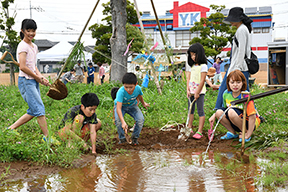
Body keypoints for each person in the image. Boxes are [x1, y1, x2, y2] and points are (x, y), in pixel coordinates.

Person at [7, 19, 55, 143]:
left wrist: (41, 77)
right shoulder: (22, 46)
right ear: (22, 31)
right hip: (26, 81)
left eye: (33, 31)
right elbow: (22, 67)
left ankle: (10, 129)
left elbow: (33, 66)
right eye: (28, 31)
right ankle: (47, 138)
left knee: (34, 110)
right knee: (39, 109)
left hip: (32, 80)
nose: (31, 33)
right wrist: (36, 77)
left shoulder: (34, 47)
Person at [214, 7, 252, 110]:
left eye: (232, 18)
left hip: (238, 67)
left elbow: (241, 51)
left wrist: (237, 69)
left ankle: (219, 110)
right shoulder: (242, 29)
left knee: (226, 89)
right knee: (244, 92)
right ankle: (252, 113)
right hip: (238, 66)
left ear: (238, 19)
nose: (230, 21)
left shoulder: (241, 30)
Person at [209, 70, 260, 142]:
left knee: (231, 112)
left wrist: (249, 133)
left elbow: (252, 117)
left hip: (249, 123)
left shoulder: (245, 95)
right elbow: (225, 109)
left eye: (238, 82)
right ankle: (232, 132)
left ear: (243, 83)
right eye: (232, 82)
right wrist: (214, 115)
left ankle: (245, 133)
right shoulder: (226, 94)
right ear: (228, 83)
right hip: (236, 120)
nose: (235, 85)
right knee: (219, 112)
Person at [114, 73, 150, 145]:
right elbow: (118, 108)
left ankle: (134, 138)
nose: (128, 89)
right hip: (121, 107)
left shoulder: (138, 89)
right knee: (118, 121)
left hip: (132, 106)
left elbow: (140, 96)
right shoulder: (121, 92)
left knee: (140, 120)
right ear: (123, 85)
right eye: (126, 87)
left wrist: (143, 103)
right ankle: (122, 139)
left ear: (136, 84)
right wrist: (123, 122)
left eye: (131, 87)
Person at [186, 43, 208, 139]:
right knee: (190, 110)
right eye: (191, 55)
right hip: (191, 92)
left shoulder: (203, 66)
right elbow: (189, 79)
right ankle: (189, 127)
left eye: (194, 54)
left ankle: (199, 131)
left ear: (200, 54)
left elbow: (202, 80)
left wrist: (197, 92)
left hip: (200, 93)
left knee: (200, 111)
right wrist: (188, 89)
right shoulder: (192, 66)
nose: (193, 57)